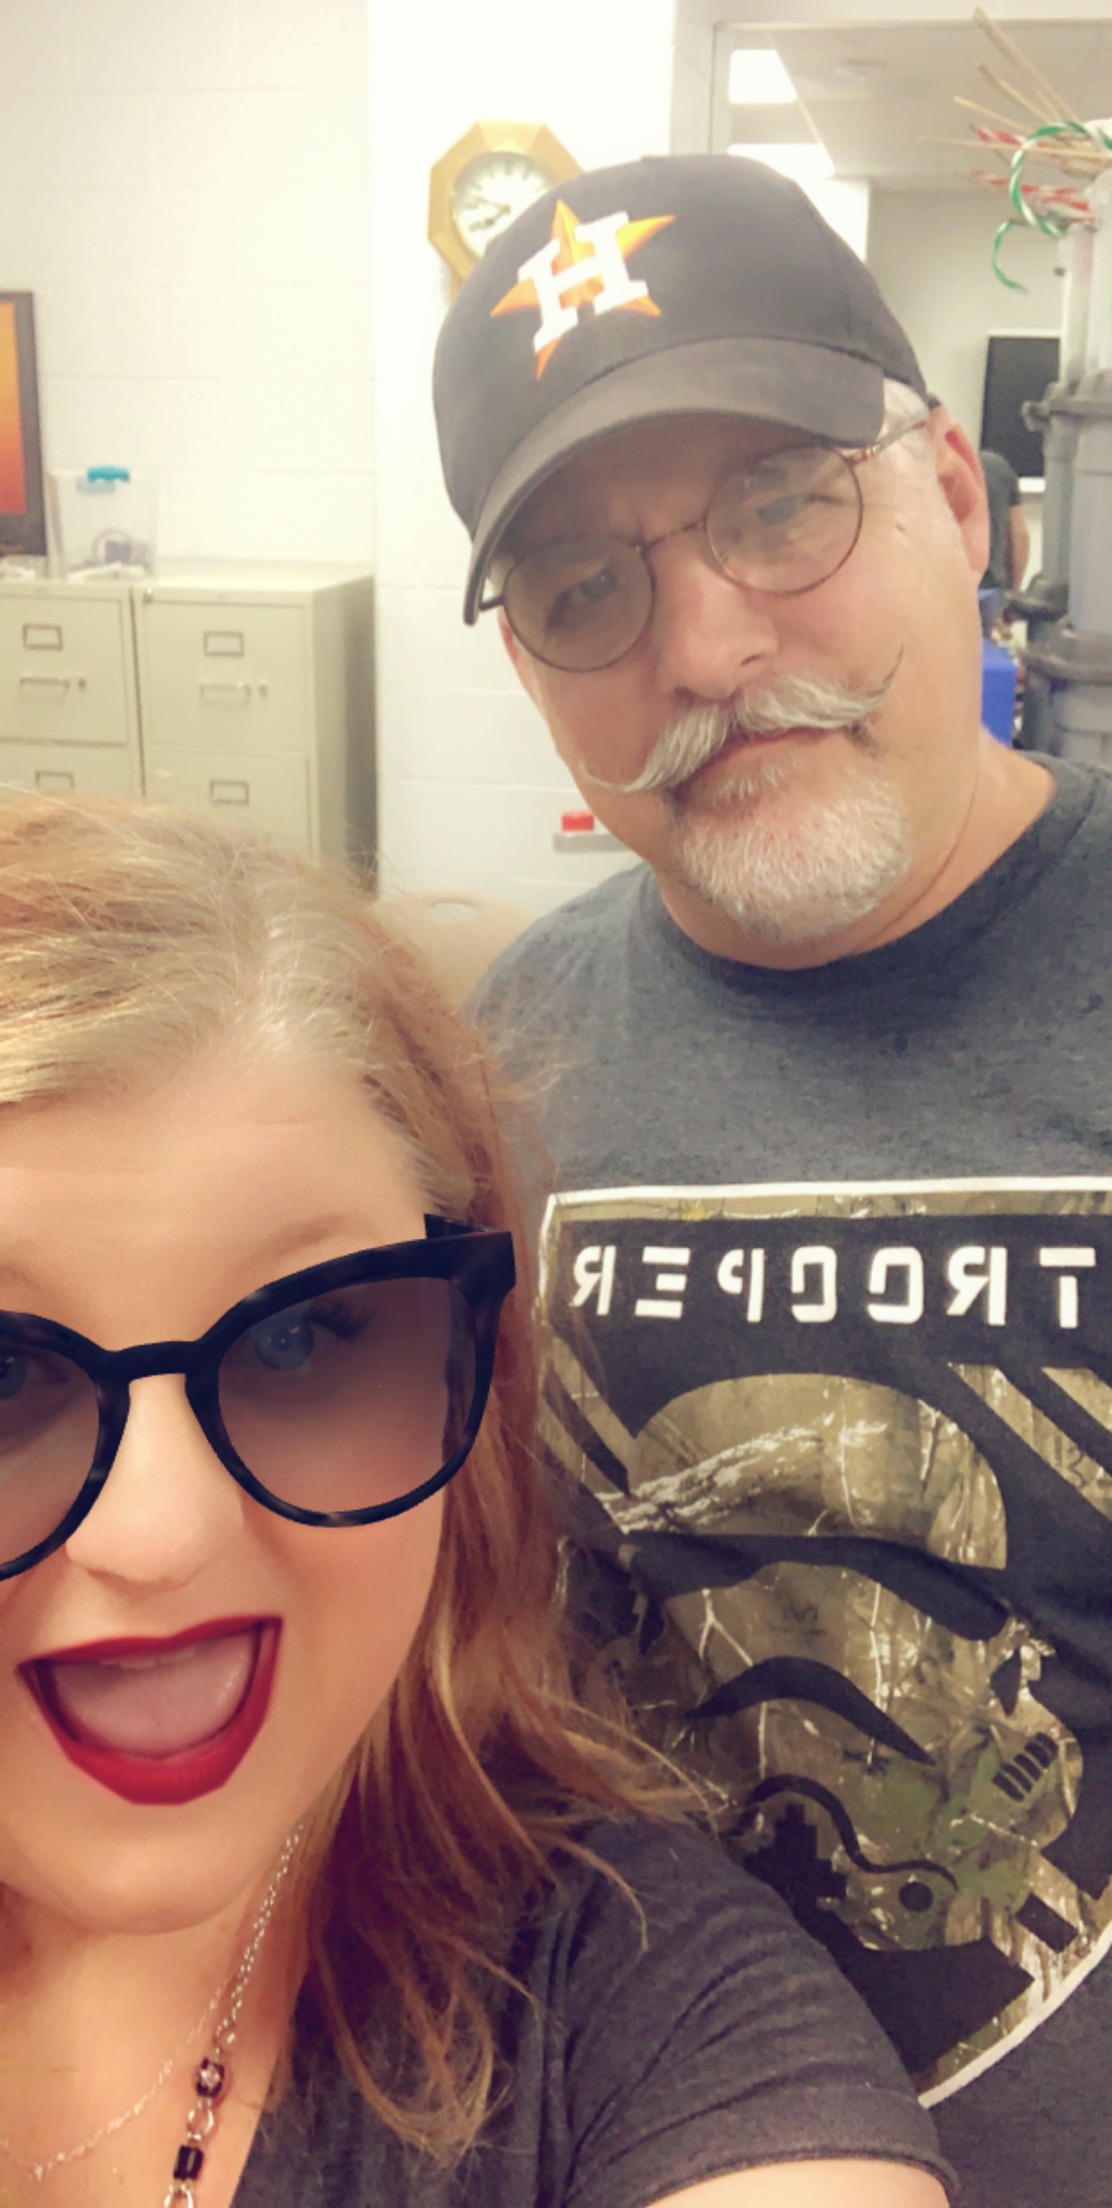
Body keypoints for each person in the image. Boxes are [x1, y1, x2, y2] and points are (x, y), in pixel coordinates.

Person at [432, 152, 1112, 2208]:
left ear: (957, 501)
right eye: (584, 589)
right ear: (531, 668)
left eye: (777, 505)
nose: (706, 647)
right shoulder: (502, 1065)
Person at [0, 791, 948, 2208]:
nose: (161, 1534)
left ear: (479, 1376)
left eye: (298, 1339)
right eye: (6, 1372)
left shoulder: (648, 2012)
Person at [979, 447, 1030, 595]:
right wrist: (1012, 592)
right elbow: (1019, 537)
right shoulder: (995, 467)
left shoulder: (930, 464)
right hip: (989, 589)